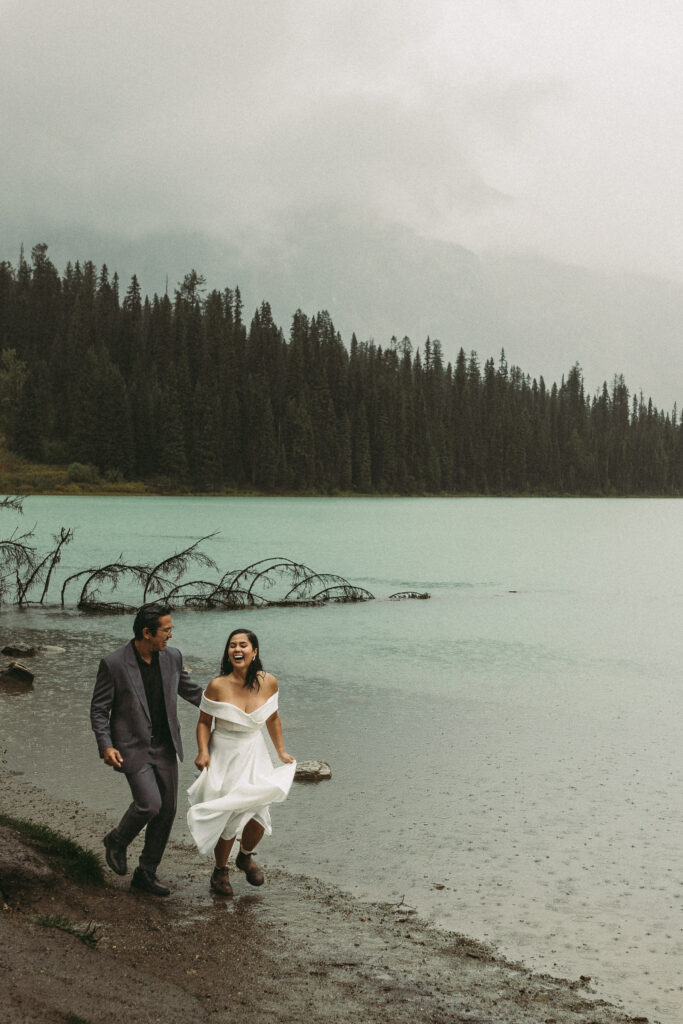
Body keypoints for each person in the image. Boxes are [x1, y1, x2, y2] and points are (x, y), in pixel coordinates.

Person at [90, 602, 203, 895]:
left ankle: (146, 873)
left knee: (166, 811)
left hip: (166, 747)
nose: (171, 636)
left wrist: (235, 707)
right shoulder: (114, 664)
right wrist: (106, 746)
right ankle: (117, 840)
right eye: (166, 630)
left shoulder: (172, 658)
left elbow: (195, 694)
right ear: (146, 632)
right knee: (149, 804)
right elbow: (100, 710)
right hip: (132, 748)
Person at [187, 627, 295, 895]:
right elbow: (203, 722)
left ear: (254, 651)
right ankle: (220, 871)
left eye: (243, 645)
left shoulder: (269, 682)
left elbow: (273, 718)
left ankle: (245, 856)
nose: (237, 649)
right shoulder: (217, 685)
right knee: (230, 812)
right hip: (224, 752)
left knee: (259, 810)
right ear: (228, 652)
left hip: (254, 751)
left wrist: (280, 752)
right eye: (233, 645)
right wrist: (203, 752)